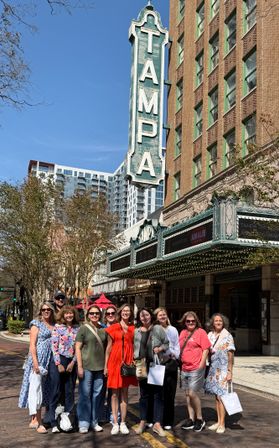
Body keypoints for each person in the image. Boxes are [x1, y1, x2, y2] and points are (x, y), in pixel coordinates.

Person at [18, 301, 55, 433]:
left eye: (48, 309)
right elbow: (32, 345)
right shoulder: (36, 323)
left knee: (48, 390)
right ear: (40, 311)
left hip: (51, 361)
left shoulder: (54, 324)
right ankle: (38, 422)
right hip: (38, 361)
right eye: (43, 309)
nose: (46, 311)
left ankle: (44, 418)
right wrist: (35, 363)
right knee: (37, 390)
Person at [134, 307, 169, 437]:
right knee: (144, 394)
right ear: (139, 318)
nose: (144, 317)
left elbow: (167, 343)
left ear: (150, 316)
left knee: (157, 395)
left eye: (147, 315)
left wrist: (160, 348)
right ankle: (143, 421)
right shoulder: (137, 331)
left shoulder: (158, 328)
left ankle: (157, 423)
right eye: (142, 316)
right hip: (141, 364)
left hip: (155, 364)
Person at [104, 303, 137, 435]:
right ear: (120, 312)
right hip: (114, 362)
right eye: (124, 311)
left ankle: (123, 422)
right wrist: (105, 366)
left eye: (128, 311)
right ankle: (115, 423)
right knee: (113, 394)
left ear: (130, 314)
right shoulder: (113, 328)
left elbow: (135, 346)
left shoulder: (133, 329)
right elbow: (108, 348)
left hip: (127, 363)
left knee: (124, 393)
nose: (126, 313)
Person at [75, 304, 107, 433]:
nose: (94, 315)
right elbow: (77, 348)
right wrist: (80, 367)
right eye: (92, 313)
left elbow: (107, 349)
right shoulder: (83, 329)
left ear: (100, 315)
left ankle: (94, 421)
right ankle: (83, 422)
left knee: (97, 395)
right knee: (85, 395)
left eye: (97, 313)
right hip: (87, 367)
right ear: (88, 315)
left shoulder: (103, 329)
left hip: (100, 367)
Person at [179, 311, 211, 432]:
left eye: (193, 321)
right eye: (188, 321)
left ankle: (200, 419)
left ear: (196, 321)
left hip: (196, 368)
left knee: (192, 393)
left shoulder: (200, 332)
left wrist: (202, 364)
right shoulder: (183, 333)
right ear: (185, 322)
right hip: (184, 368)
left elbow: (206, 349)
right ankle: (191, 419)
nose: (191, 323)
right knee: (187, 394)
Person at [49, 305, 80, 433]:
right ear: (62, 315)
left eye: (71, 314)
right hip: (59, 361)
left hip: (71, 362)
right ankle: (53, 422)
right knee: (56, 391)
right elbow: (54, 346)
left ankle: (67, 421)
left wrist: (73, 363)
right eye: (66, 314)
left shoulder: (78, 328)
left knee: (69, 392)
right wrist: (58, 363)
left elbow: (79, 348)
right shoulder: (58, 328)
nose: (69, 316)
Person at [204, 313, 235, 434]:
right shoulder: (210, 335)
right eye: (216, 321)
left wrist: (229, 371)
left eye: (220, 321)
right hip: (213, 368)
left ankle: (222, 423)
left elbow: (231, 355)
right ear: (212, 322)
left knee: (221, 397)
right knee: (216, 396)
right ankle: (218, 420)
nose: (218, 322)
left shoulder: (227, 335)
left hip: (223, 368)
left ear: (223, 323)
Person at [154, 307, 180, 430]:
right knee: (158, 393)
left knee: (170, 393)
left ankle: (168, 420)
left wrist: (172, 354)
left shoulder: (173, 329)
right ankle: (157, 419)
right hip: (157, 363)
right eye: (160, 315)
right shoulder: (153, 329)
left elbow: (176, 346)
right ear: (156, 317)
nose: (162, 316)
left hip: (170, 363)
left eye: (164, 314)